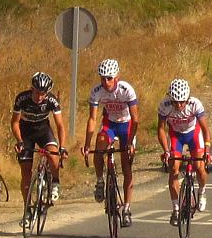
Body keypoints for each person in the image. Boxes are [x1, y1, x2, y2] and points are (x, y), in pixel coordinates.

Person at [81, 59, 140, 227]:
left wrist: (129, 143)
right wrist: (87, 145)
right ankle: (100, 182)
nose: (105, 82)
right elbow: (92, 119)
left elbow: (136, 119)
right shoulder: (97, 92)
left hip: (126, 126)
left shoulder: (126, 90)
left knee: (126, 166)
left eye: (109, 78)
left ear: (116, 77)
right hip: (110, 125)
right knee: (99, 147)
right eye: (102, 78)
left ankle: (127, 208)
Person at [156, 78, 211, 225]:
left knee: (200, 168)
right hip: (176, 136)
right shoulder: (164, 105)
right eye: (175, 102)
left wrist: (207, 150)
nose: (179, 105)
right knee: (173, 170)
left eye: (182, 102)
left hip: (193, 134)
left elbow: (205, 129)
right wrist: (166, 151)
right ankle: (176, 209)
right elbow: (161, 129)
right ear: (170, 99)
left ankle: (202, 192)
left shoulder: (195, 104)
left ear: (187, 99)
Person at [11, 72, 68, 210]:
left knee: (53, 153)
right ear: (32, 89)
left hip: (43, 130)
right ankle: (27, 208)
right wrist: (19, 141)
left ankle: (55, 182)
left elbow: (60, 125)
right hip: (26, 132)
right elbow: (14, 123)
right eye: (37, 92)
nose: (39, 97)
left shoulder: (52, 101)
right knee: (26, 172)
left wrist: (63, 147)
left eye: (43, 94)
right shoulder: (22, 99)